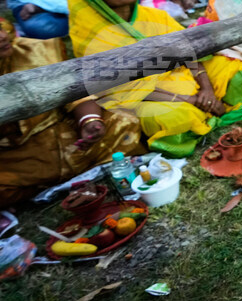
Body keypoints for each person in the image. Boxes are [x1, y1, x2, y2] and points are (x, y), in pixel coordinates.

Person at [66, 0, 242, 156]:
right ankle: (200, 115)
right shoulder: (92, 38)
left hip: (183, 75)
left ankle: (210, 107)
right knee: (174, 117)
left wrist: (207, 89)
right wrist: (192, 99)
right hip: (145, 95)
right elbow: (124, 89)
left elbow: (188, 51)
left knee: (240, 75)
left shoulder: (154, 16)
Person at [0, 18, 146, 207]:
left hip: (71, 135)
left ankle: (57, 184)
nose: (3, 36)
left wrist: (89, 121)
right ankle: (45, 188)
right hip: (18, 157)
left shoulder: (37, 50)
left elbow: (75, 89)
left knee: (124, 121)